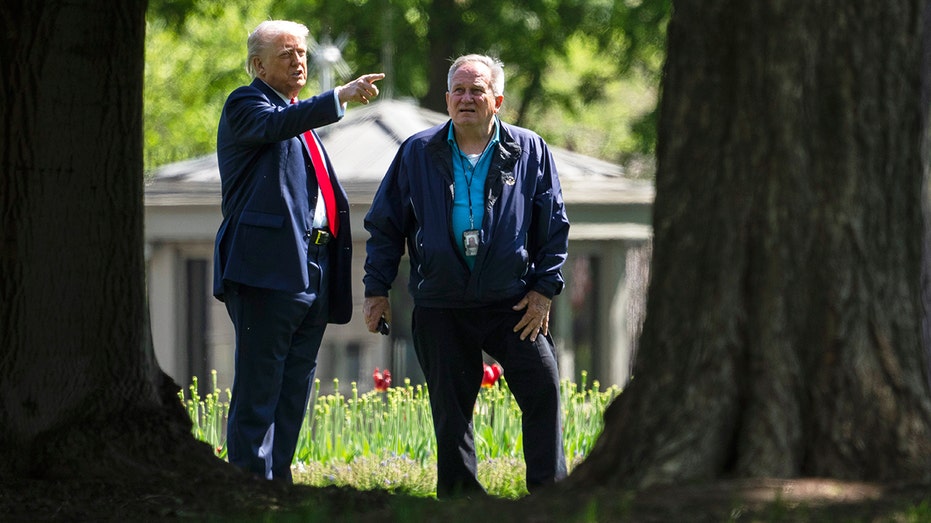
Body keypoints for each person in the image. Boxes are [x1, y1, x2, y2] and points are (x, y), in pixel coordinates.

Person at [362, 54, 569, 498]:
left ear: (497, 99)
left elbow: (553, 226)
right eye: (459, 90)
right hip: (442, 302)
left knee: (543, 390)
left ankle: (550, 498)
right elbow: (385, 225)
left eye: (477, 90)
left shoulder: (530, 149)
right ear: (447, 99)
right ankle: (461, 502)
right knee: (451, 411)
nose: (467, 98)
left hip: (513, 302)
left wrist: (544, 291)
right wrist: (375, 290)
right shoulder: (417, 152)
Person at [213, 19, 383, 482]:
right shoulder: (248, 104)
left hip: (313, 269)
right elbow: (278, 125)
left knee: (294, 392)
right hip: (266, 270)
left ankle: (280, 486)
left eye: (303, 52)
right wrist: (339, 97)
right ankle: (250, 488)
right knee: (259, 389)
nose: (299, 60)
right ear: (257, 64)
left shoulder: (296, 115)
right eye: (285, 53)